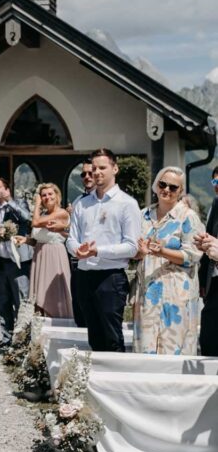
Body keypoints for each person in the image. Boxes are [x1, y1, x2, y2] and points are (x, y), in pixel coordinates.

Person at [67, 148, 141, 352]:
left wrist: (98, 251)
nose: (96, 172)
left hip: (110, 278)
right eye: (93, 168)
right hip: (84, 275)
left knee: (112, 337)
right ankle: (96, 380)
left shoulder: (127, 204)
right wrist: (77, 250)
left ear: (114, 168)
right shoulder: (82, 204)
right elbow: (71, 238)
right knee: (93, 335)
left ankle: (118, 382)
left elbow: (132, 246)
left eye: (102, 167)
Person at [132, 167, 202, 355]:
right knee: (145, 349)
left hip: (177, 295)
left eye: (173, 187)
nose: (167, 190)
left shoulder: (188, 217)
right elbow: (133, 251)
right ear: (156, 186)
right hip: (147, 292)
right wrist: (139, 252)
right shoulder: (142, 215)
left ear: (180, 192)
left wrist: (163, 251)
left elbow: (192, 256)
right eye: (163, 184)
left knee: (173, 350)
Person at [0, 177, 33, 347]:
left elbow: (27, 218)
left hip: (19, 261)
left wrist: (9, 201)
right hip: (2, 261)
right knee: (3, 301)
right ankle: (6, 338)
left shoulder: (19, 204)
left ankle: (23, 340)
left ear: (7, 189)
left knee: (21, 300)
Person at [29, 183, 73, 319]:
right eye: (43, 195)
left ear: (57, 196)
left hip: (54, 256)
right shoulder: (43, 214)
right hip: (40, 256)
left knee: (53, 294)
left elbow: (35, 223)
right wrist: (25, 240)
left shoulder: (61, 213)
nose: (47, 197)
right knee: (38, 296)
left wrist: (36, 204)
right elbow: (39, 237)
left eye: (50, 194)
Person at [68, 160, 94, 326]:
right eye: (83, 174)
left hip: (95, 261)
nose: (87, 176)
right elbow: (73, 231)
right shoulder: (78, 200)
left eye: (90, 173)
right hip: (77, 261)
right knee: (79, 305)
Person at [197, 165, 218, 357]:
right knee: (208, 339)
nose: (217, 186)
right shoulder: (216, 204)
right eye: (215, 181)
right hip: (214, 282)